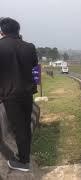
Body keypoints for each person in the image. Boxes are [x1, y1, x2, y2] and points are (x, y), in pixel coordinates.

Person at [0, 17, 38, 172]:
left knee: (18, 128)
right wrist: (34, 87)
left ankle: (23, 161)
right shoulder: (29, 47)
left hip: (10, 95)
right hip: (27, 93)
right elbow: (36, 70)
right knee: (25, 125)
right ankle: (25, 155)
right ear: (18, 30)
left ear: (2, 31)